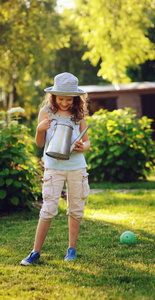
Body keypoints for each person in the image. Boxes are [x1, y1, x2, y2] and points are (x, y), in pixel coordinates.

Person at [21, 72, 90, 265]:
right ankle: (35, 252)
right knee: (48, 208)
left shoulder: (79, 114)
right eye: (61, 98)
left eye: (69, 99)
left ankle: (71, 249)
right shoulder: (46, 112)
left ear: (75, 99)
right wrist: (39, 130)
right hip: (53, 167)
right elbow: (39, 144)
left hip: (76, 166)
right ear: (54, 96)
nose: (65, 103)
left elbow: (86, 142)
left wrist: (82, 147)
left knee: (76, 209)